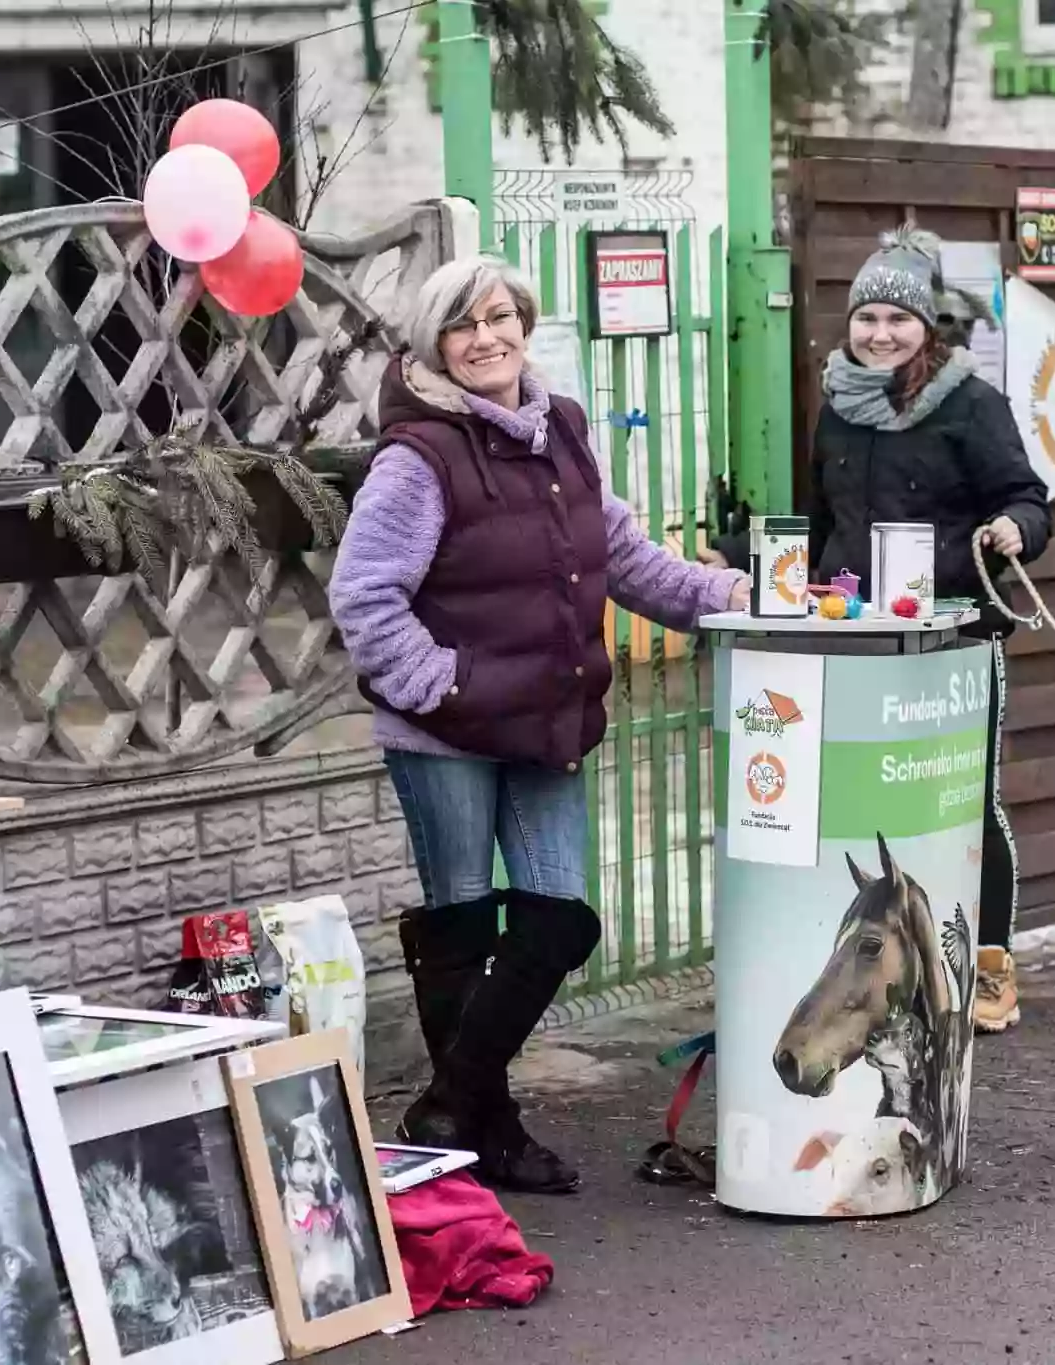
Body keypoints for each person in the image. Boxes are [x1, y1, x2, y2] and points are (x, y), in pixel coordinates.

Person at [329, 255, 749, 1194]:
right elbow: (363, 596)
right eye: (462, 326)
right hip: (444, 729)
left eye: (501, 317)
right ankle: (493, 1131)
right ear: (436, 345)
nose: (486, 338)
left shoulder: (562, 430)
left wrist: (726, 595)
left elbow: (624, 556)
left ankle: (445, 1105)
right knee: (462, 925)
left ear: (526, 323)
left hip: (546, 718)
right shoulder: (419, 456)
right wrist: (439, 683)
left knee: (558, 919)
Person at [703, 228, 1050, 1035]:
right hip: (852, 637)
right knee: (866, 810)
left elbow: (1030, 498)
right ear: (850, 325)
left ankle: (991, 963)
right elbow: (822, 523)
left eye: (898, 319)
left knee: (968, 802)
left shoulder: (971, 403)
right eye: (868, 319)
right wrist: (733, 555)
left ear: (926, 326)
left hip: (955, 636)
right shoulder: (839, 405)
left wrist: (1012, 528)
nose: (881, 333)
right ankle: (872, 974)